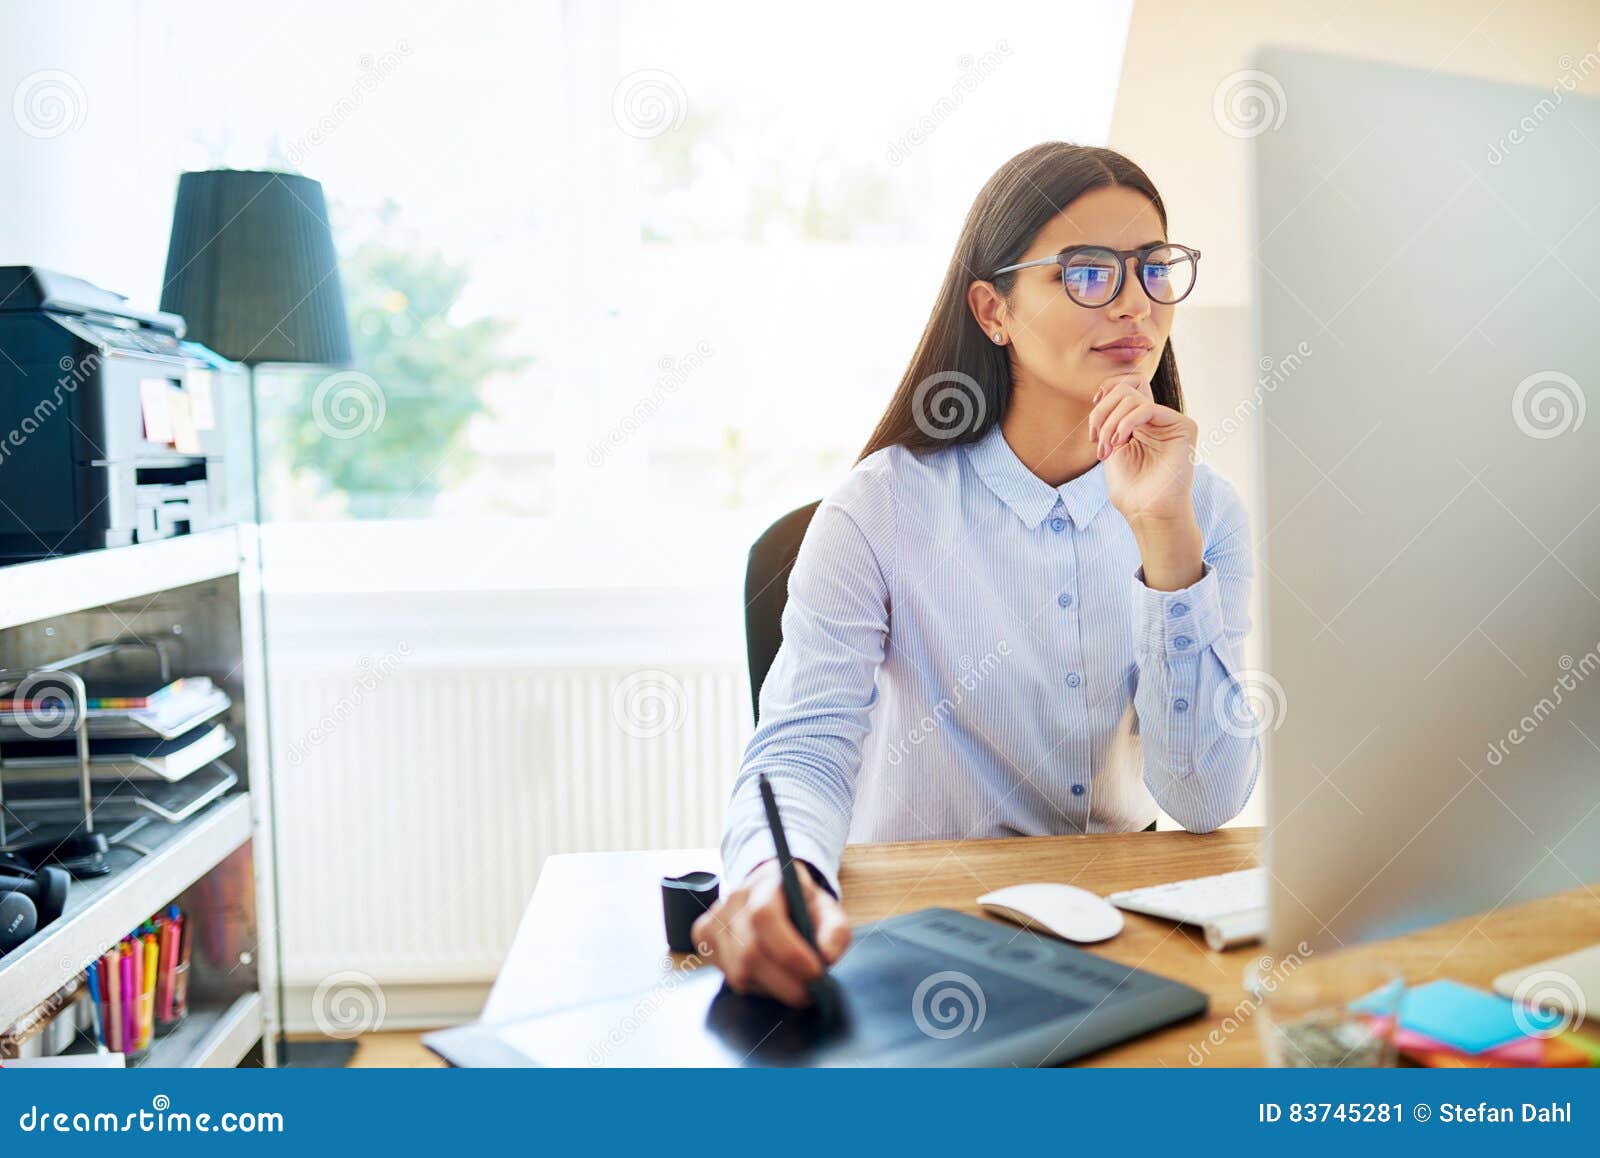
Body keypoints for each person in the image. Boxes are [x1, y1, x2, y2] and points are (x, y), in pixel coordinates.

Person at [692, 142, 1260, 1008]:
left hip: (1124, 936)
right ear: (994, 311)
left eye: (1152, 269)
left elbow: (1206, 797)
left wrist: (1164, 536)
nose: (1136, 304)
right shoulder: (878, 509)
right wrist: (775, 876)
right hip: (917, 933)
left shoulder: (1200, 508)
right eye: (1087, 274)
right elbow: (801, 749)